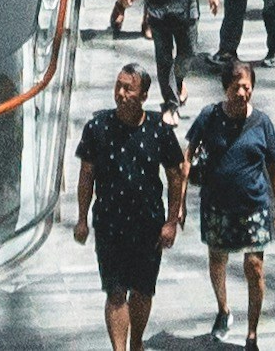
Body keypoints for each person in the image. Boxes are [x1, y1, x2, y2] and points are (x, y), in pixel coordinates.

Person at [71, 61, 184, 351]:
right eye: (118, 86)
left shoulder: (159, 129)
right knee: (116, 291)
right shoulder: (98, 127)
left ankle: (136, 342)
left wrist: (171, 221)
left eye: (128, 88)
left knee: (143, 289)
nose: (120, 93)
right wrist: (82, 219)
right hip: (110, 224)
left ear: (143, 95)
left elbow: (175, 174)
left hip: (148, 225)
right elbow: (87, 175)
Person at [189, 58, 275, 350]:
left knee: (254, 266)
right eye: (236, 87)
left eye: (247, 87)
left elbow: (274, 165)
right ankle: (223, 309)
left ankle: (252, 333)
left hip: (254, 206)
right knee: (218, 260)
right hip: (217, 206)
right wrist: (178, 205)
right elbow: (187, 154)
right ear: (225, 88)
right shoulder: (209, 116)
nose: (242, 92)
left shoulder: (262, 122)